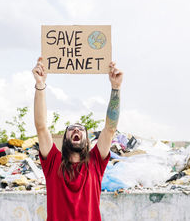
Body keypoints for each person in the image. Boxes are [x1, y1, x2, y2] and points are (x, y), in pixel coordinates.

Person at [32, 57, 123, 221]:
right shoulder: (53, 161)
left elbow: (110, 129)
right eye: (71, 129)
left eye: (81, 129)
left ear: (87, 140)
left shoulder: (96, 161)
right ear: (65, 138)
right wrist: (40, 85)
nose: (76, 130)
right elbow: (41, 126)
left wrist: (115, 88)